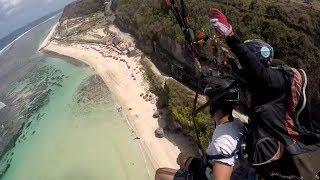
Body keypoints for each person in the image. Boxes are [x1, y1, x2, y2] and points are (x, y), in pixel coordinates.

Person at [210, 8, 320, 179]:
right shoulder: (262, 86)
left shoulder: (274, 79)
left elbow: (255, 70)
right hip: (271, 158)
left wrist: (230, 36)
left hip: (285, 160)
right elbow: (245, 75)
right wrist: (229, 60)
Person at [155, 78, 250, 180]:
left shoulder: (223, 142)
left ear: (212, 104)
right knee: (182, 157)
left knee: (160, 174)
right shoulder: (237, 124)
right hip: (213, 167)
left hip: (206, 175)